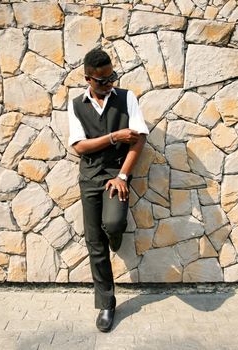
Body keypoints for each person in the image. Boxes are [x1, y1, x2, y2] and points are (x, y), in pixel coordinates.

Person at [67, 48, 149, 332]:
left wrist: (124, 175)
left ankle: (114, 235)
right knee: (94, 242)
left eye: (112, 76)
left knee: (113, 223)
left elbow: (138, 141)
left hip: (116, 173)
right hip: (89, 177)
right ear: (88, 78)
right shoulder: (76, 104)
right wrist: (114, 136)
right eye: (102, 80)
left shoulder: (127, 98)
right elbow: (79, 146)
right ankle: (106, 303)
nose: (109, 83)